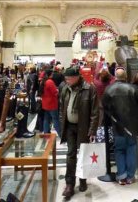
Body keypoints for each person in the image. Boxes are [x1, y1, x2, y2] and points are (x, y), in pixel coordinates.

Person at [102, 68, 138, 185]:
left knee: (119, 150)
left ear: (115, 77)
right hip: (134, 127)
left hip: (117, 127)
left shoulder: (109, 90)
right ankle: (130, 176)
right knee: (132, 149)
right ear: (126, 77)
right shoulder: (134, 89)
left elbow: (105, 108)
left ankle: (121, 175)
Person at [60, 66, 99, 199]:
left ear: (77, 77)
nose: (67, 80)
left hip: (83, 127)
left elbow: (95, 112)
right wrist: (61, 125)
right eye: (66, 78)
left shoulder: (89, 89)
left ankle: (82, 179)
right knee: (70, 154)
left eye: (69, 78)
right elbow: (62, 108)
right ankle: (69, 184)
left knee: (83, 154)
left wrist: (92, 130)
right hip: (70, 127)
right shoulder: (65, 89)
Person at [39, 68, 60, 136]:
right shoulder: (50, 82)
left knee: (46, 119)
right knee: (55, 119)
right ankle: (61, 134)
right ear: (50, 75)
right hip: (52, 104)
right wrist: (58, 91)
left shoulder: (43, 81)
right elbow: (55, 92)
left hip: (45, 104)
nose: (53, 75)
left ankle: (46, 133)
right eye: (52, 74)